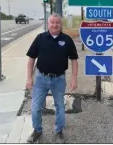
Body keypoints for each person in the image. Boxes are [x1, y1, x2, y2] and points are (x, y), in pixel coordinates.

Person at [26, 13, 78, 143]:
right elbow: (31, 58)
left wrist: (74, 78)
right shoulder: (40, 38)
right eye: (52, 22)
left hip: (59, 80)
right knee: (36, 107)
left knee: (60, 106)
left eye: (57, 22)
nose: (55, 25)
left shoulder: (67, 40)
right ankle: (37, 130)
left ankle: (59, 131)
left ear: (61, 24)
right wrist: (29, 77)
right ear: (48, 23)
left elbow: (74, 60)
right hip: (41, 79)